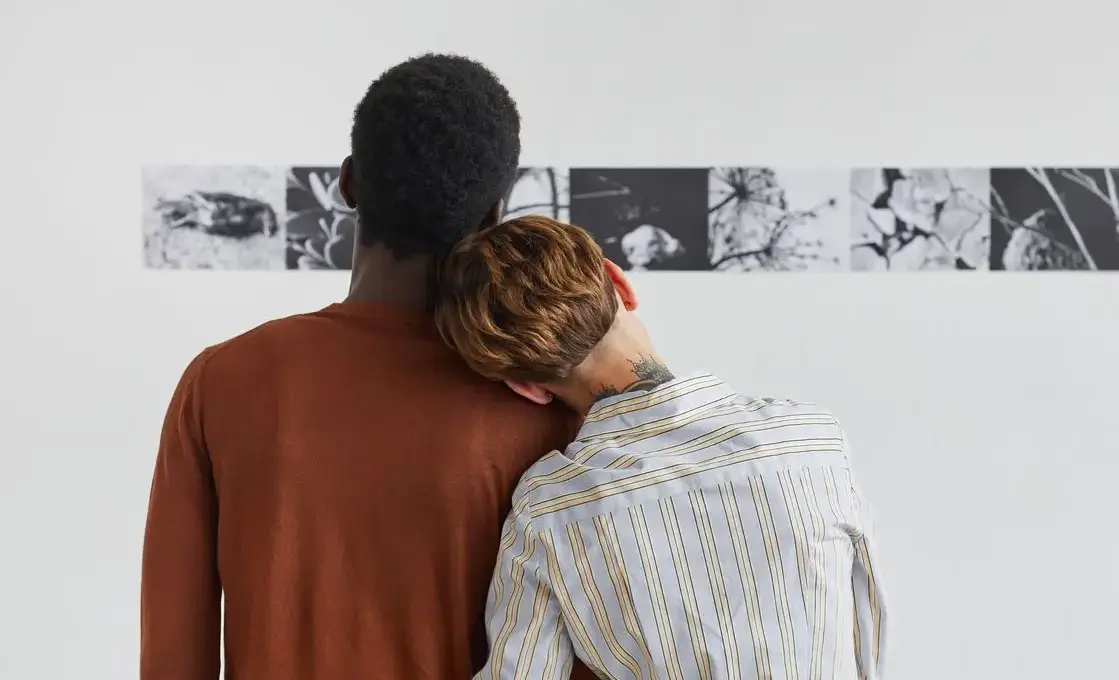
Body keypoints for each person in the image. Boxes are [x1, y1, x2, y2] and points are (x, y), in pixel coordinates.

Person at [140, 54, 599, 680]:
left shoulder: (222, 380)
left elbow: (172, 658)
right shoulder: (551, 403)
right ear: (495, 211)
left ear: (348, 182)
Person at [434, 215, 889, 679]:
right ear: (620, 282)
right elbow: (866, 629)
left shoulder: (549, 509)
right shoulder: (811, 440)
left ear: (526, 388)